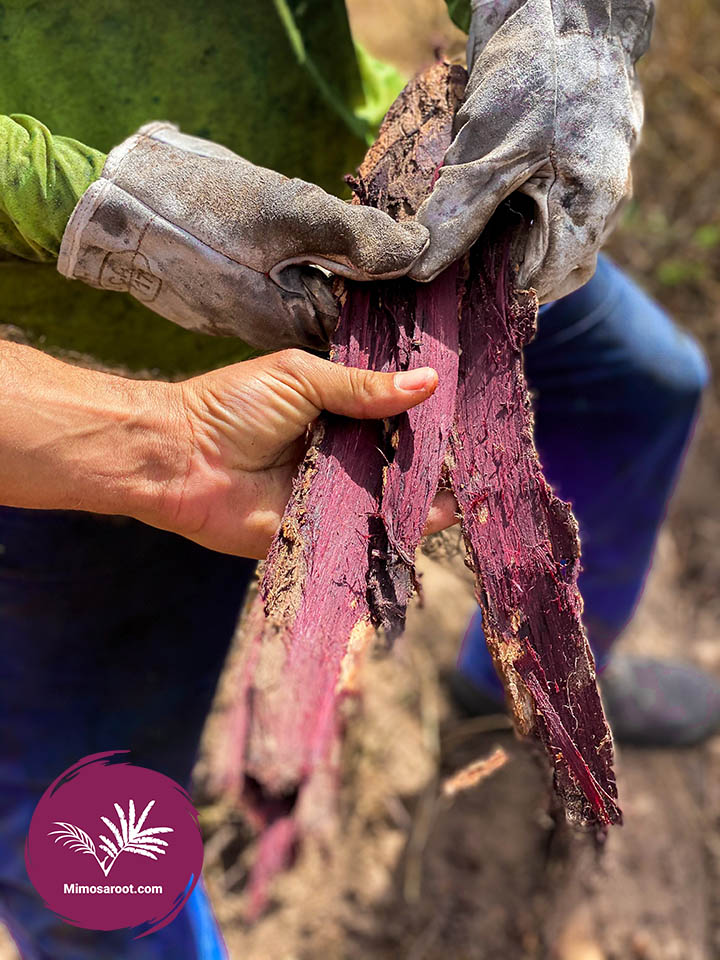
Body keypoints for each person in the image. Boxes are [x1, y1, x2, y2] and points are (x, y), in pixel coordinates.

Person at [0, 1, 714, 956]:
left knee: (648, 387)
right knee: (86, 843)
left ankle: (507, 677)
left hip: (391, 227)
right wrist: (83, 210)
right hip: (80, 354)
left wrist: (558, 25)